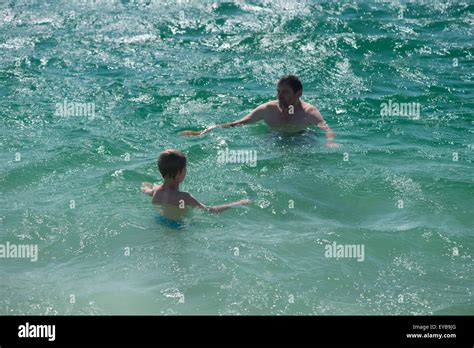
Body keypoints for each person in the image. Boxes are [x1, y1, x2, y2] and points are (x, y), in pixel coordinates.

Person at [179, 75, 339, 148]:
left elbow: (325, 128)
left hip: (301, 137)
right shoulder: (268, 109)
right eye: (278, 91)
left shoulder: (309, 112)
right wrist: (202, 132)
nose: (280, 96)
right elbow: (238, 123)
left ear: (298, 94)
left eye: (285, 92)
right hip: (275, 137)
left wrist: (330, 142)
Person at [141, 149, 252, 223]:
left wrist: (146, 186)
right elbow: (209, 210)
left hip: (159, 222)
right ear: (180, 173)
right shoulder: (185, 197)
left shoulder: (156, 191)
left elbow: (145, 189)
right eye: (185, 169)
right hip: (177, 228)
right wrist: (237, 203)